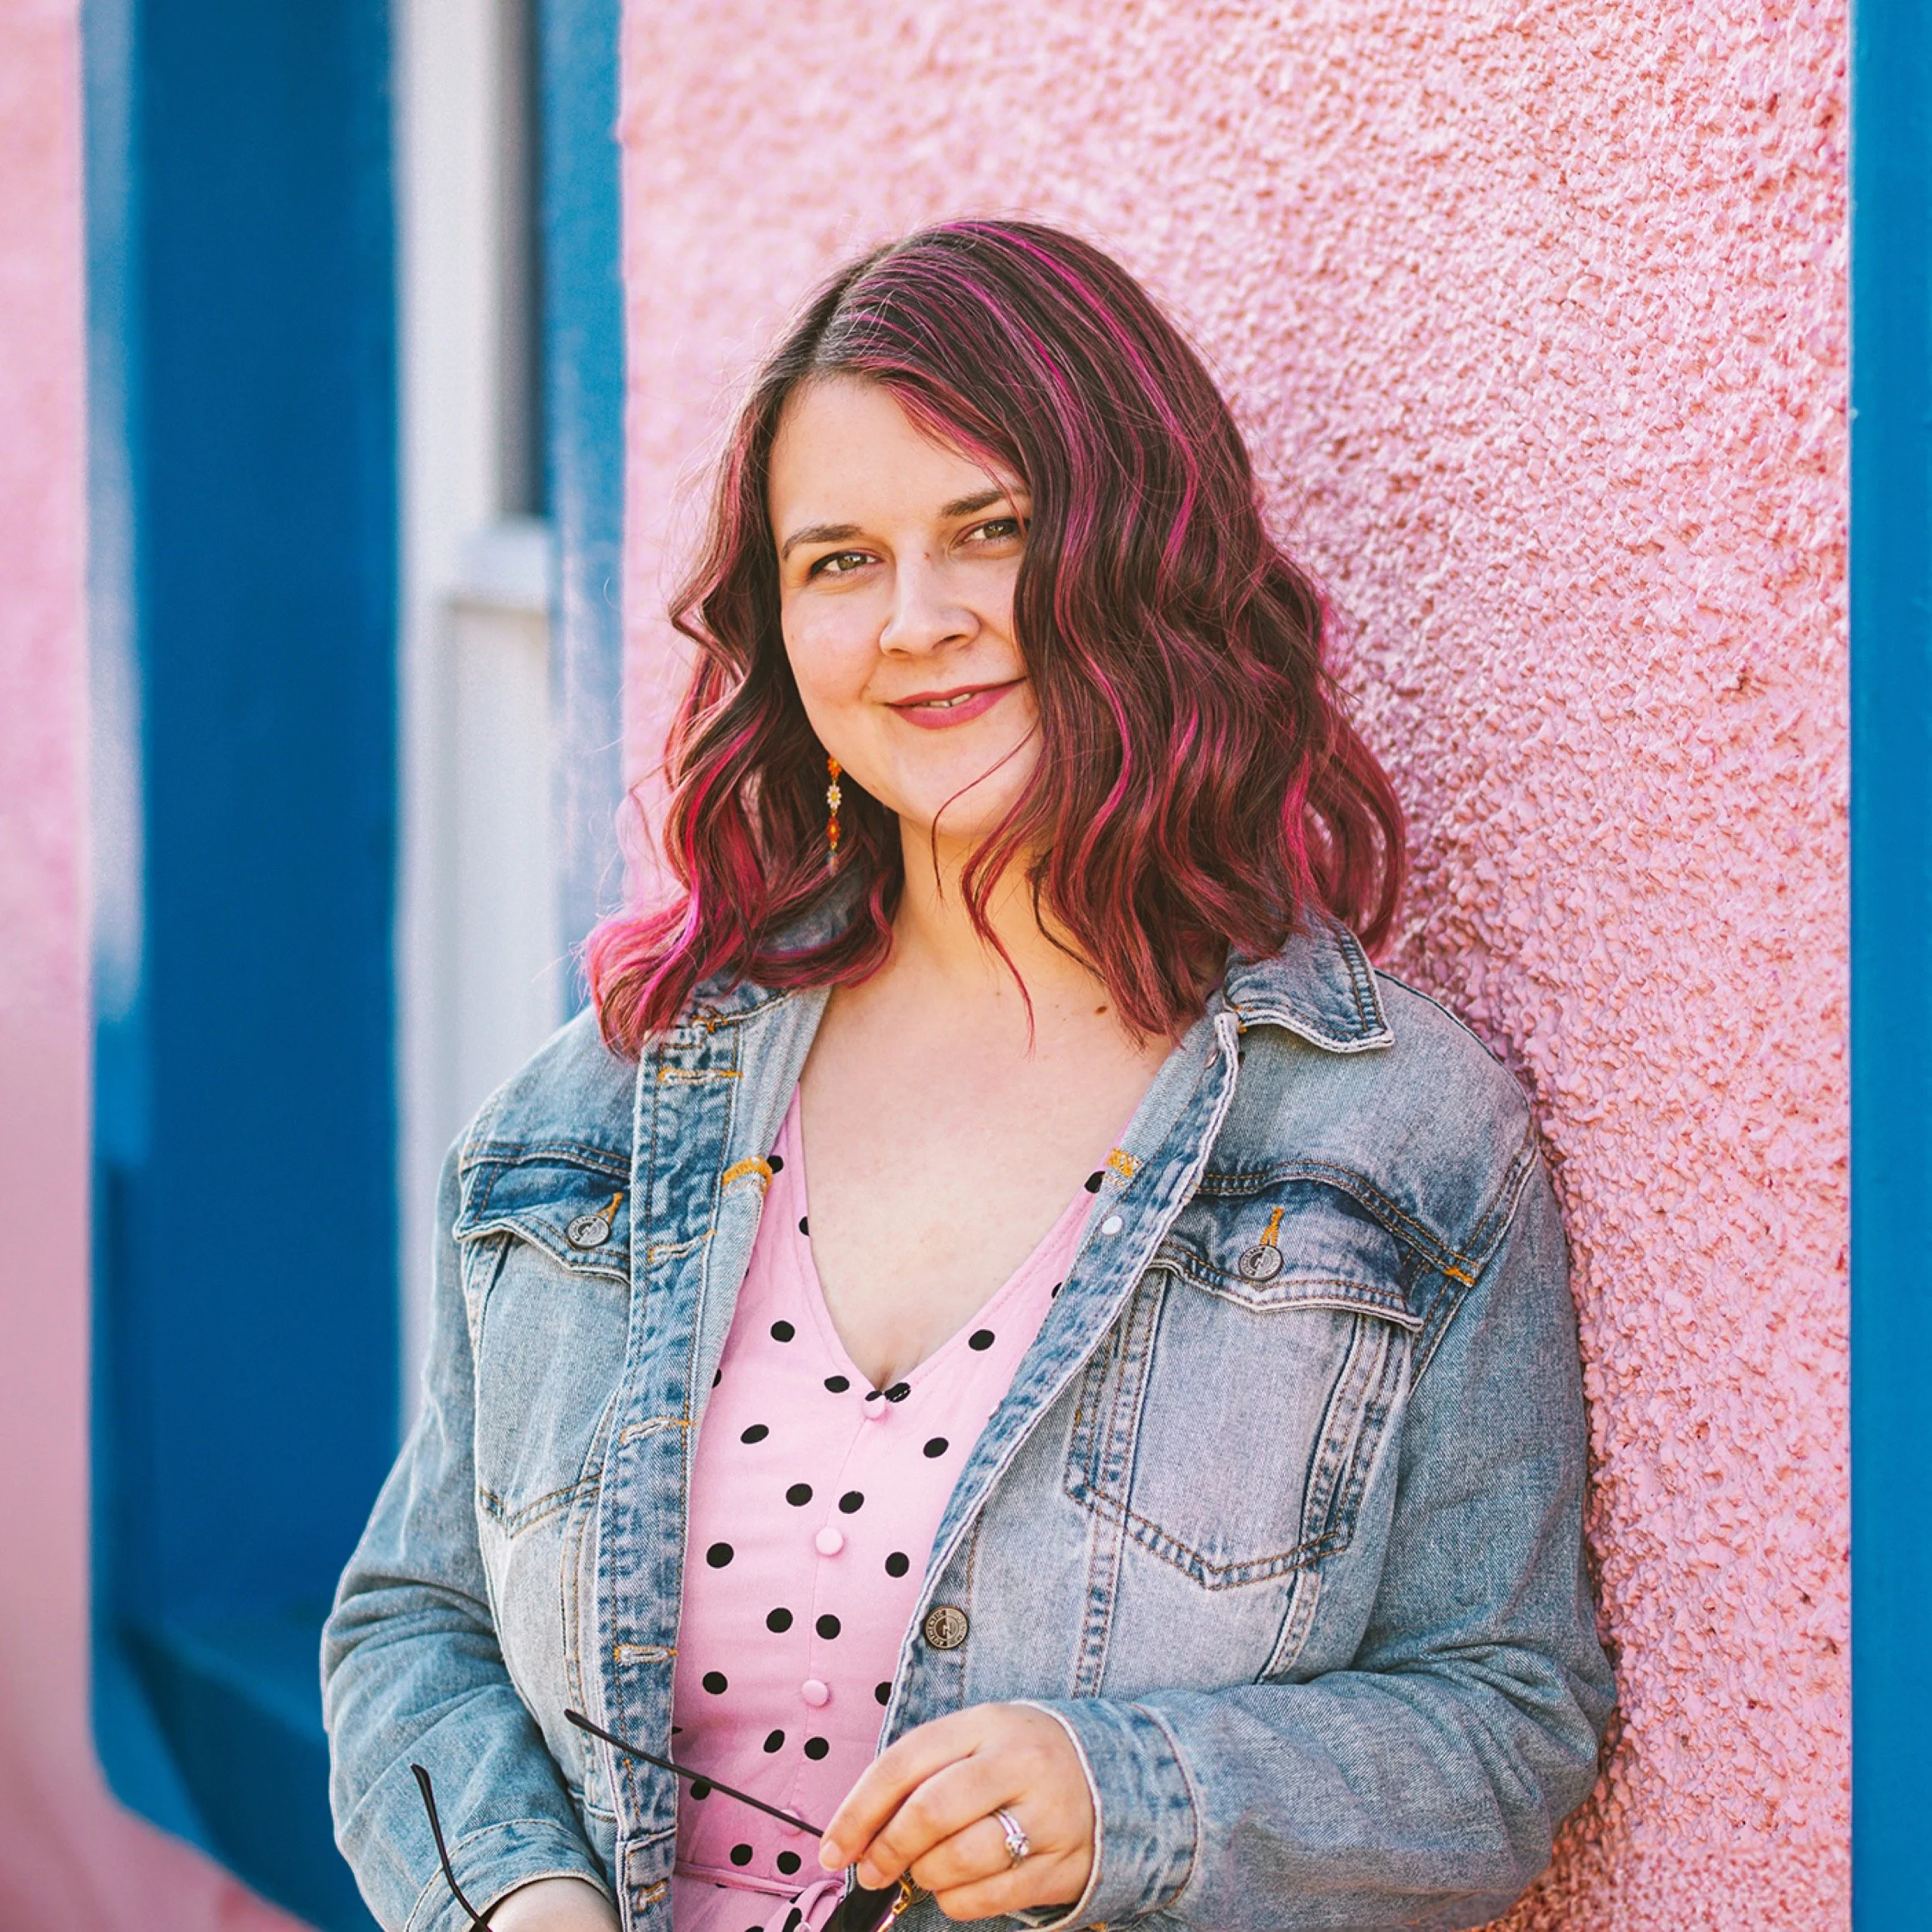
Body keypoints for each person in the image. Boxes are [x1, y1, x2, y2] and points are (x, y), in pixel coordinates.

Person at [324, 219, 1614, 1932]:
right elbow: (411, 1625)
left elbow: (1503, 1717)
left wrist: (1123, 1799)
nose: (917, 621)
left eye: (987, 532)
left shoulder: (1395, 1138)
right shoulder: (599, 1107)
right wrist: (514, 1899)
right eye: (837, 560)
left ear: (1135, 551)